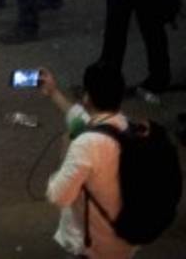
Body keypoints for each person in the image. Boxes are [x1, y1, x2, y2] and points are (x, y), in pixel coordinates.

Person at [38, 62, 135, 258]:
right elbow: (80, 117)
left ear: (87, 97)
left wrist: (68, 146)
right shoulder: (125, 127)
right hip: (127, 235)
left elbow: (58, 195)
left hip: (94, 244)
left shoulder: (87, 144)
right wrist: (53, 92)